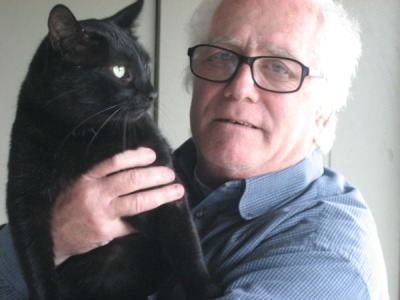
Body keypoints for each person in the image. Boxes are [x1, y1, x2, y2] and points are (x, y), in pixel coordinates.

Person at [0, 0, 390, 299]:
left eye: (279, 67)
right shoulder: (145, 161)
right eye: (222, 56)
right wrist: (55, 237)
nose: (240, 87)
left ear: (324, 113)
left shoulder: (323, 258)